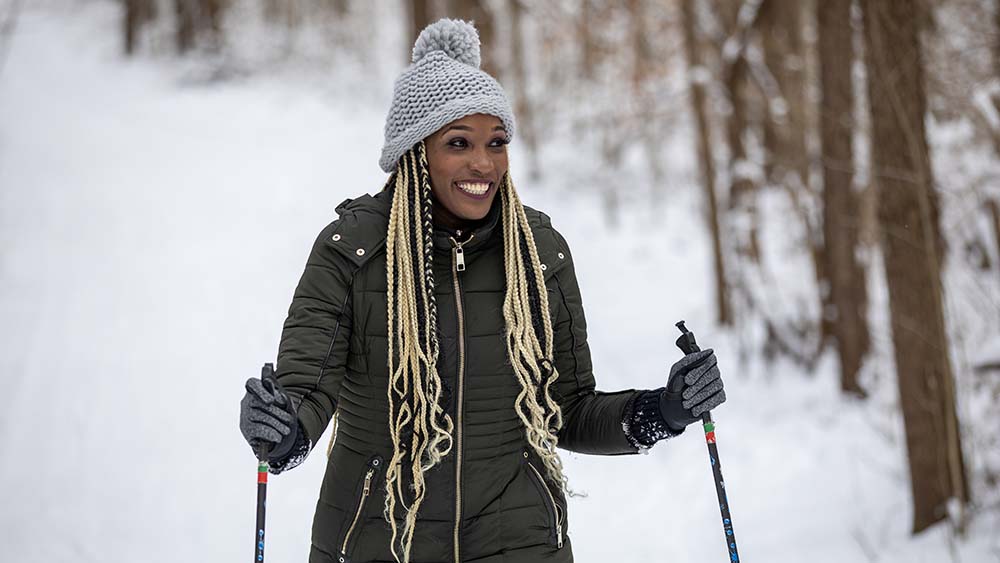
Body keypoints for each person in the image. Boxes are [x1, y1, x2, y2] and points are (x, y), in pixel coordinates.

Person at [239, 18, 726, 563]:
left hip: (517, 542)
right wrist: (280, 431)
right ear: (415, 153)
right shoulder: (351, 252)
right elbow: (306, 396)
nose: (484, 163)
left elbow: (566, 408)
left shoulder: (538, 254)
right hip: (379, 540)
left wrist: (665, 410)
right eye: (459, 143)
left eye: (497, 142)